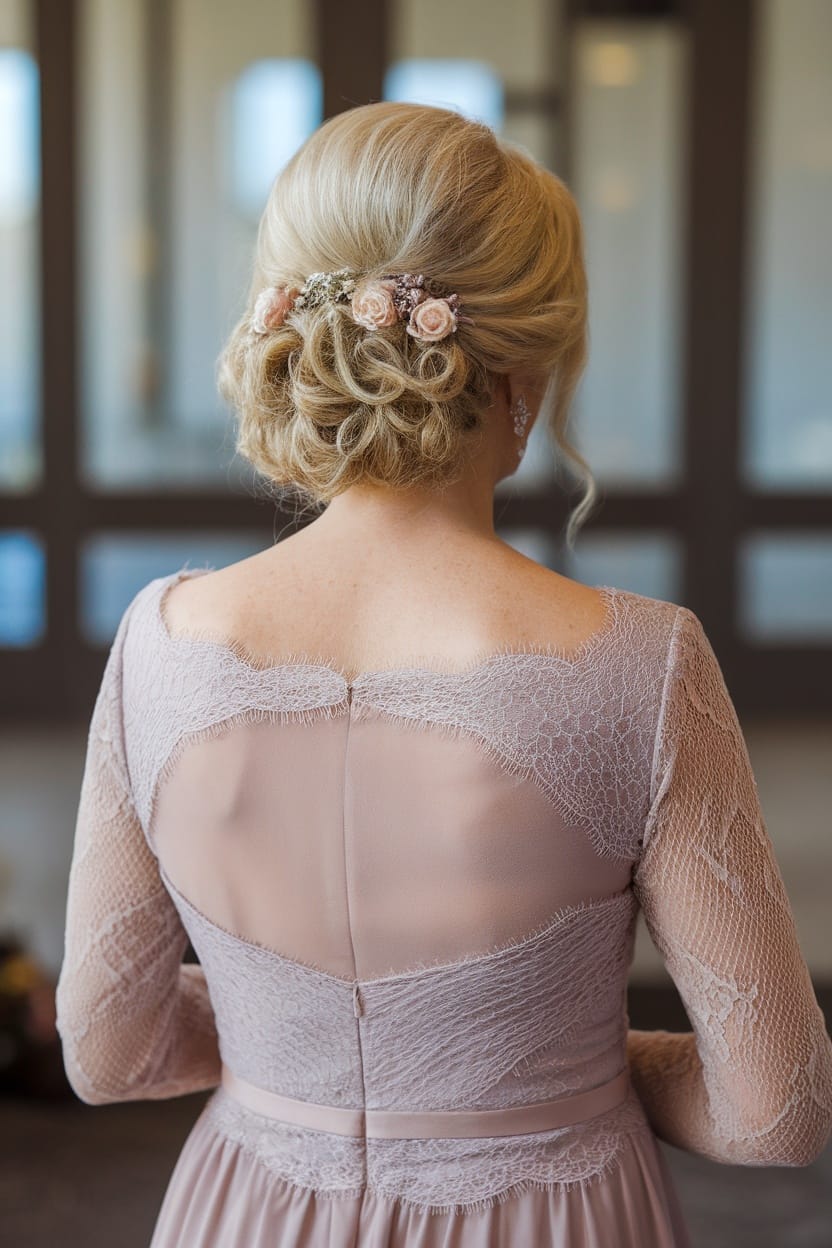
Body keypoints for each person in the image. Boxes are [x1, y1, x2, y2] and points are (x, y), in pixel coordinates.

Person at [54, 100, 832, 1247]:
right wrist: (542, 1050)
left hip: (246, 1212)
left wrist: (295, 1038)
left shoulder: (159, 642)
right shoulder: (642, 664)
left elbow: (107, 1057)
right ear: (524, 369)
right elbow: (777, 1113)